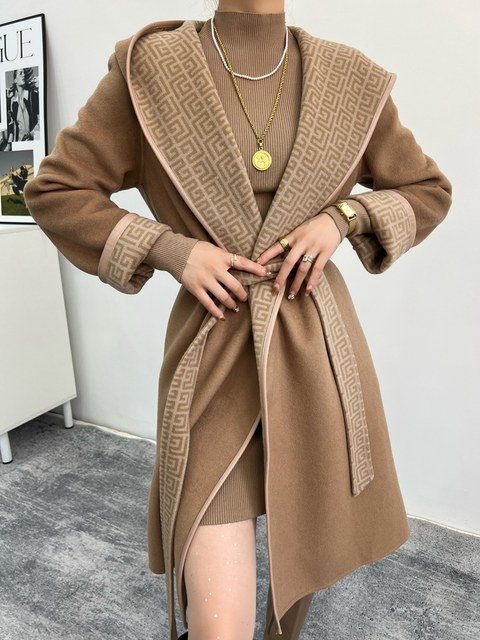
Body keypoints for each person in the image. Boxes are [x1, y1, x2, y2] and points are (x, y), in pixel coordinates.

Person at [24, 0, 452, 638]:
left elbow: (427, 189)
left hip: (314, 351)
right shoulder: (150, 69)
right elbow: (55, 190)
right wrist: (171, 249)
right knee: (218, 621)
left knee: (299, 560)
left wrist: (344, 218)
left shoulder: (351, 77)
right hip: (214, 346)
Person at [5, 67, 40, 148]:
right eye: (20, 73)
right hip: (18, 142)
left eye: (24, 73)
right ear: (15, 80)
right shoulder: (13, 102)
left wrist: (31, 133)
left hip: (32, 142)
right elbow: (12, 127)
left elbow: (40, 121)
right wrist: (9, 145)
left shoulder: (33, 96)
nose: (23, 75)